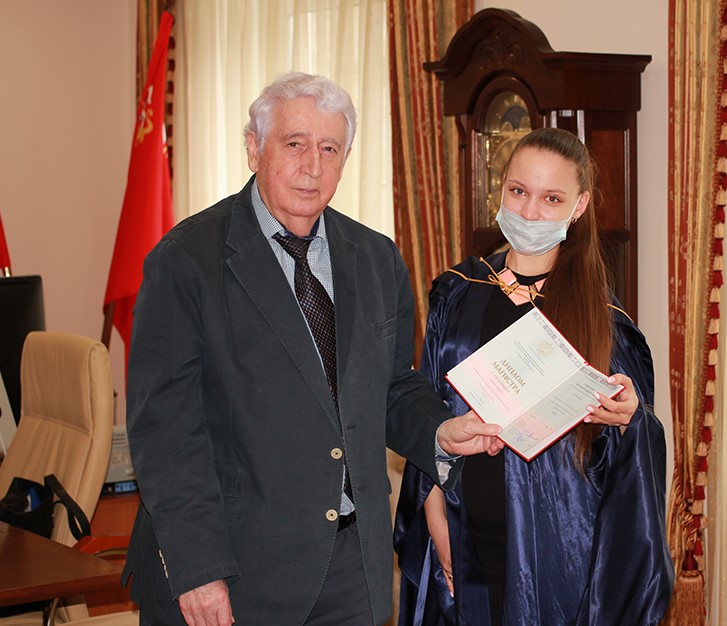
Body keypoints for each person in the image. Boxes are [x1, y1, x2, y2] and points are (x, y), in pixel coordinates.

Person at [122, 71, 503, 626]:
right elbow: (165, 433)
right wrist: (200, 568)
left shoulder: (376, 259)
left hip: (352, 566)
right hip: (234, 567)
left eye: (329, 149)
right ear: (254, 148)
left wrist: (440, 431)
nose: (313, 166)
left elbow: (391, 388)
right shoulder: (186, 261)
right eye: (294, 144)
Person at [394, 127, 674, 625]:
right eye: (518, 191)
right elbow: (429, 411)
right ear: (500, 189)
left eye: (552, 199)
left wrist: (631, 417)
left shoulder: (603, 320)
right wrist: (434, 513)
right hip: (461, 537)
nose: (528, 212)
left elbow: (634, 461)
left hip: (559, 559)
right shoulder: (458, 292)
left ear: (579, 205)